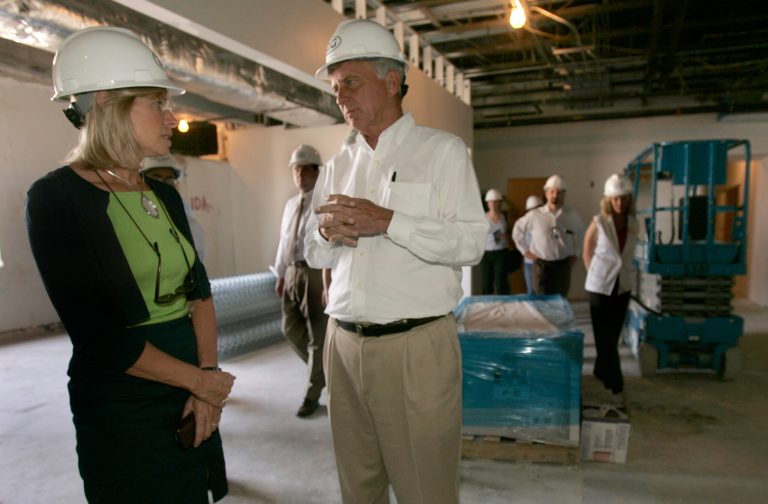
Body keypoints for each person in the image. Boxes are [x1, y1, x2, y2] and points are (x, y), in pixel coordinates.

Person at [25, 26, 234, 503]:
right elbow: (99, 335)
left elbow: (199, 293)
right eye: (157, 102)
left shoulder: (164, 194)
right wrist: (201, 382)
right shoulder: (57, 198)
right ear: (106, 102)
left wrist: (205, 377)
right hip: (123, 400)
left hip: (190, 386)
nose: (171, 117)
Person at [305, 19, 488, 504]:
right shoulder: (337, 166)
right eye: (335, 86)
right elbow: (312, 249)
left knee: (425, 489)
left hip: (414, 348)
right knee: (358, 488)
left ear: (391, 81)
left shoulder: (442, 152)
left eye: (351, 81)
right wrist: (325, 232)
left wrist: (389, 221)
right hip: (343, 346)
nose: (341, 96)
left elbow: (471, 243)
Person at [273, 144, 330, 418]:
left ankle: (312, 394)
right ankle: (323, 371)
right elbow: (284, 241)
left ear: (317, 172)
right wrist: (281, 274)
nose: (300, 175)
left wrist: (329, 281)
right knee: (290, 329)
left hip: (315, 272)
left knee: (318, 336)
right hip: (292, 272)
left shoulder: (325, 202)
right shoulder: (290, 205)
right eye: (296, 170)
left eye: (306, 169)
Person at [583, 174, 637, 402]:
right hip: (599, 286)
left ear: (629, 199)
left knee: (612, 336)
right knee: (603, 336)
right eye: (615, 199)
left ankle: (600, 370)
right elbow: (587, 248)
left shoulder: (634, 223)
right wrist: (593, 273)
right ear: (608, 200)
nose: (619, 203)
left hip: (622, 285)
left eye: (623, 198)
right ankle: (615, 382)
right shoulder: (599, 221)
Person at [512, 174, 584, 296]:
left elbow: (582, 232)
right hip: (541, 266)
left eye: (559, 192)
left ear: (564, 194)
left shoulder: (571, 215)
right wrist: (526, 252)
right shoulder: (535, 215)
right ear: (546, 194)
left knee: (560, 299)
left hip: (563, 266)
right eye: (552, 192)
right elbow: (517, 231)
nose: (555, 195)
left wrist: (577, 253)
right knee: (541, 301)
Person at [141, 155, 207, 261]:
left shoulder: (187, 222)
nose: (162, 185)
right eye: (156, 178)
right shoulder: (133, 213)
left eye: (169, 180)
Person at [480, 188, 513, 295]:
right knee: (486, 281)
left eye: (496, 201)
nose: (493, 204)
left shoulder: (505, 216)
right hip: (486, 253)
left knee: (500, 280)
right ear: (487, 203)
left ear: (500, 202)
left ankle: (503, 302)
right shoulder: (483, 217)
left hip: (502, 252)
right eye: (490, 202)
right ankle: (487, 302)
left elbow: (512, 231)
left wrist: (506, 236)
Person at [513, 194, 543, 295]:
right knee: (531, 291)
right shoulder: (523, 222)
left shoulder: (545, 221)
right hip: (529, 262)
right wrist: (527, 253)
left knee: (541, 290)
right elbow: (517, 238)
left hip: (542, 262)